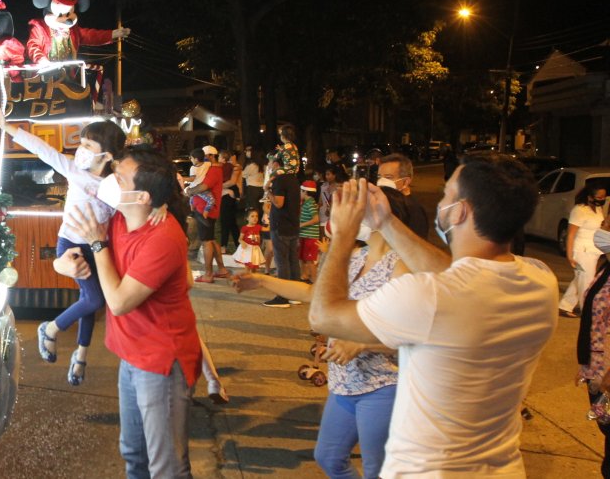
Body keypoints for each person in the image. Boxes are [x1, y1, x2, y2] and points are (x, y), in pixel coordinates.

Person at [310, 154, 558, 477]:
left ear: (460, 211)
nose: (441, 201)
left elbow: (323, 316)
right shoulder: (542, 282)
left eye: (446, 195)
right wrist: (386, 222)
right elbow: (462, 274)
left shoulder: (428, 297)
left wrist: (342, 234)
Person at [235, 186, 426, 479]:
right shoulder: (355, 256)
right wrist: (263, 281)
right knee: (328, 458)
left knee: (380, 471)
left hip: (384, 385)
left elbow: (413, 335)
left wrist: (363, 345)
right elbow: (314, 293)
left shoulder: (402, 266)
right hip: (343, 383)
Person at [59, 146, 203, 479]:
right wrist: (64, 263)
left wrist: (98, 246)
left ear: (143, 197)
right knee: (133, 455)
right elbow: (67, 249)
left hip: (161, 364)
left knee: (167, 467)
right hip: (131, 357)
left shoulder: (163, 237)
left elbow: (120, 302)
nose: (109, 180)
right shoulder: (118, 218)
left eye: (119, 177)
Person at [0, 104, 124, 386]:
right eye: (82, 143)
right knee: (95, 299)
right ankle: (49, 329)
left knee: (91, 302)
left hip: (97, 247)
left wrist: (159, 206)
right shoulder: (75, 170)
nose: (82, 149)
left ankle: (81, 357)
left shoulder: (114, 185)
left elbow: (138, 197)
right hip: (70, 245)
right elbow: (43, 150)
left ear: (108, 155)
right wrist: (8, 127)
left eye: (89, 144)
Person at [574, 209, 610, 477]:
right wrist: (586, 364)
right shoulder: (606, 266)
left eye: (607, 224)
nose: (602, 228)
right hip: (598, 367)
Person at [560, 182, 609, 318]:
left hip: (592, 251)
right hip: (582, 252)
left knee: (580, 279)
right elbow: (571, 234)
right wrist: (569, 255)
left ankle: (565, 306)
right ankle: (589, 313)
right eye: (599, 197)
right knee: (586, 283)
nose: (602, 199)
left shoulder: (597, 209)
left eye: (604, 196)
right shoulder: (579, 210)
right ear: (589, 197)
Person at [263, 156, 303, 307]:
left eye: (269, 164)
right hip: (292, 224)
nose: (268, 167)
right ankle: (295, 294)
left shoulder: (279, 180)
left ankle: (282, 297)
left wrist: (268, 192)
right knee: (293, 261)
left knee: (282, 262)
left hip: (281, 225)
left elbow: (279, 203)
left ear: (276, 164)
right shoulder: (293, 179)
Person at [186, 146, 227, 280]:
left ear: (210, 156)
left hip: (206, 210)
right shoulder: (211, 168)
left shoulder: (214, 170)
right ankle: (222, 269)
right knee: (211, 239)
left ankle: (208, 274)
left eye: (205, 156)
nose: (203, 159)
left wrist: (189, 192)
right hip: (205, 208)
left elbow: (204, 186)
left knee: (206, 241)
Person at [376, 153, 430, 239]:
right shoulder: (385, 202)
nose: (381, 181)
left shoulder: (414, 211)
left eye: (388, 177)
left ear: (405, 182)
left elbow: (415, 246)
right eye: (379, 177)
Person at [219, 151, 242, 253]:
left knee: (225, 221)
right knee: (231, 222)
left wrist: (218, 187)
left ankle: (223, 246)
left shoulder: (231, 167)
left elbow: (232, 182)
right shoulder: (233, 167)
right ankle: (238, 245)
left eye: (219, 157)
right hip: (231, 194)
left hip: (228, 196)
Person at [299, 181, 321, 283]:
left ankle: (315, 280)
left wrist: (301, 225)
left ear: (305, 192)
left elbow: (316, 219)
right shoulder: (305, 202)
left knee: (310, 260)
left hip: (310, 236)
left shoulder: (311, 203)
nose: (300, 193)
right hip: (304, 235)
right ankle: (304, 276)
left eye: (301, 191)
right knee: (302, 258)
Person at [241, 145, 265, 212]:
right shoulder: (262, 165)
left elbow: (242, 174)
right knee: (261, 209)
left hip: (252, 189)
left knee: (253, 209)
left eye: (249, 151)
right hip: (261, 188)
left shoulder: (252, 165)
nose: (246, 152)